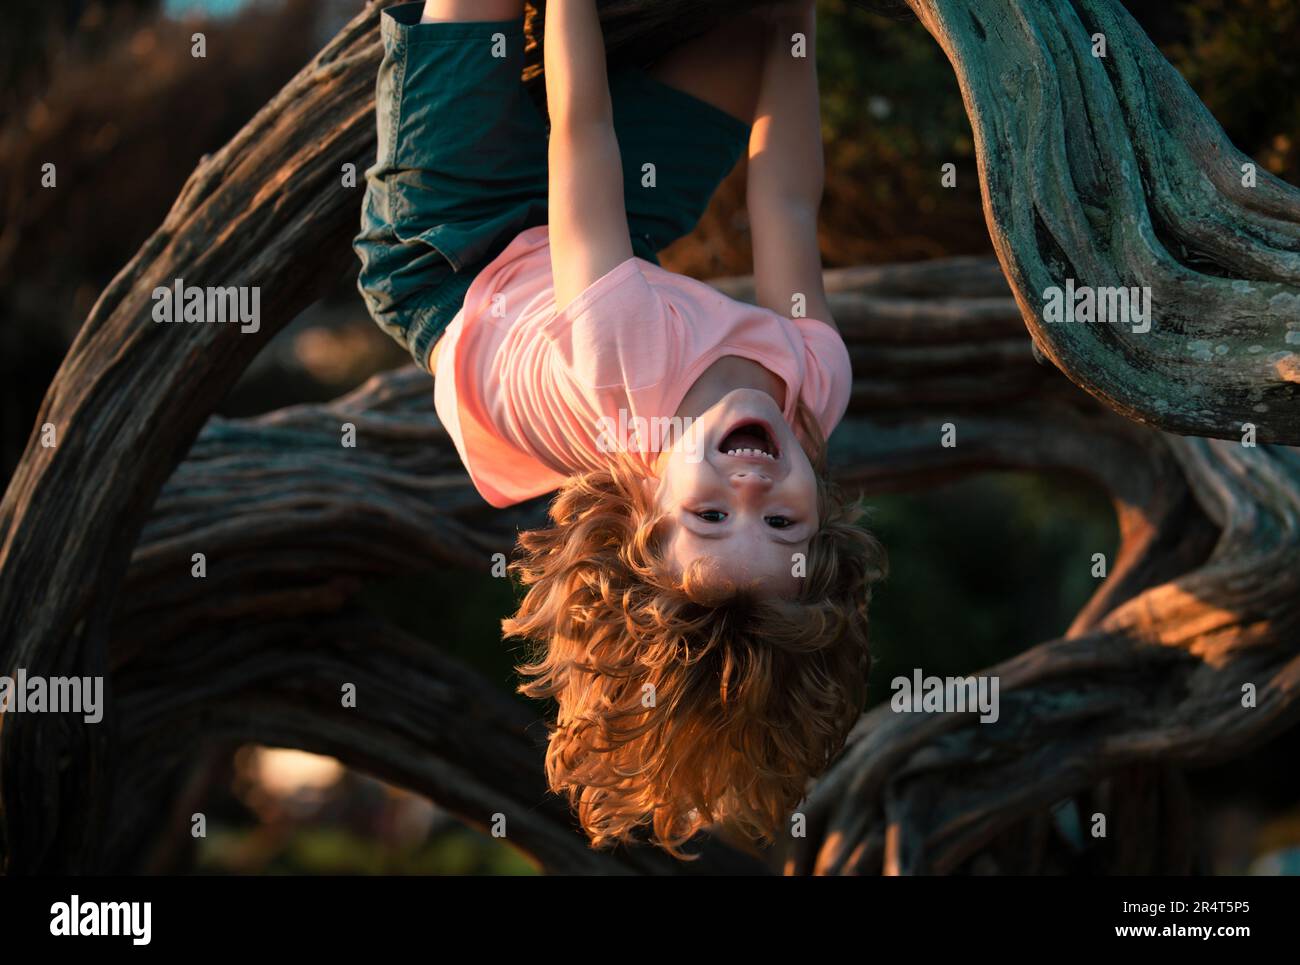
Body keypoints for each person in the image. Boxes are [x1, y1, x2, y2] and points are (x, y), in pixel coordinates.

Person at [354, 0, 886, 856]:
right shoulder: (815, 385)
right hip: (607, 238)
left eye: (710, 518)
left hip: (451, 245)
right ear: (821, 521)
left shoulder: (622, 360)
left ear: (644, 502)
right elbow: (785, 202)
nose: (750, 490)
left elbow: (583, 128)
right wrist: (802, 23)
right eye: (781, 523)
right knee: (749, 36)